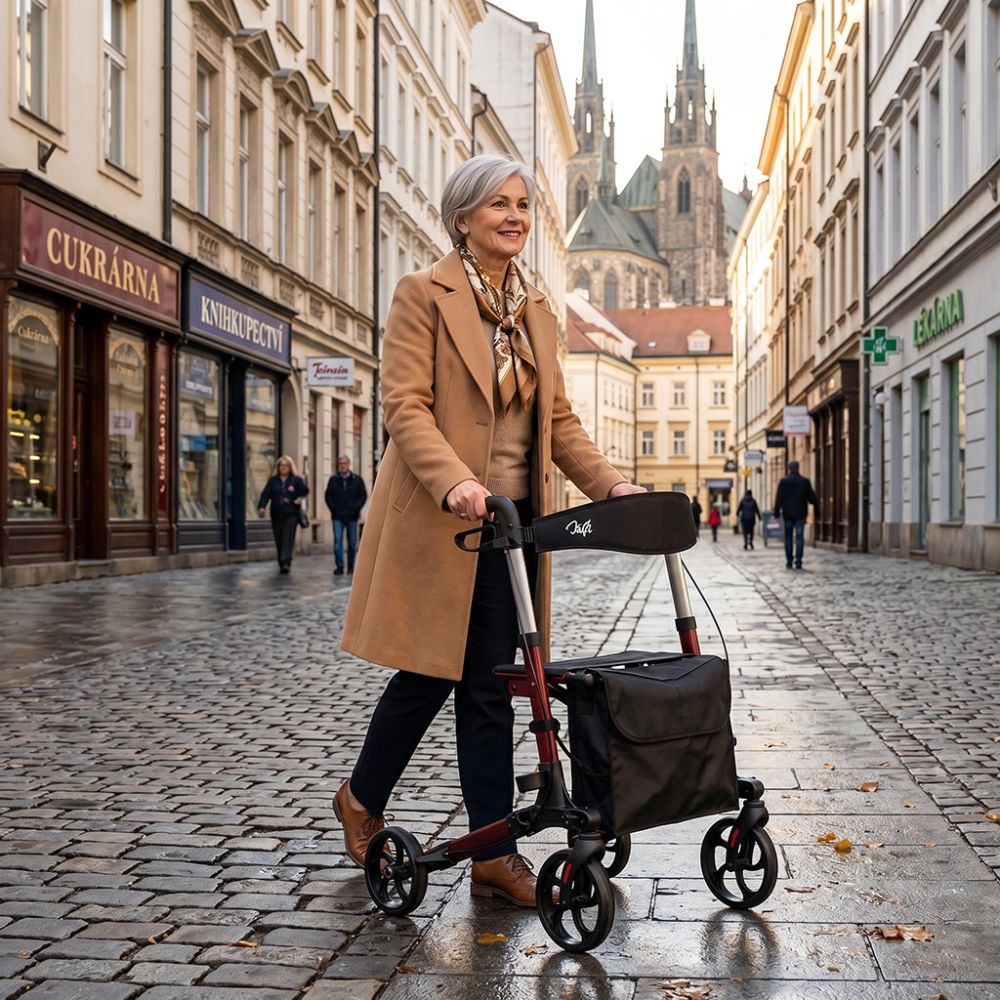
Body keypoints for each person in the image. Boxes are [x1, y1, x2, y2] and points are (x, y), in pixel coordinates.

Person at [333, 154, 645, 907]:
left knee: (491, 687)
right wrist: (457, 482)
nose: (515, 216)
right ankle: (360, 797)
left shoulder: (536, 307)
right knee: (427, 674)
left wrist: (611, 485)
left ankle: (493, 852)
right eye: (498, 204)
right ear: (463, 218)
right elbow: (405, 406)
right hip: (444, 520)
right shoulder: (424, 294)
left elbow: (558, 421)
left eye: (523, 204)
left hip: (513, 531)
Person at [257, 456, 309, 574]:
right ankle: (281, 561)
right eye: (282, 465)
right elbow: (265, 494)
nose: (284, 468)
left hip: (291, 513)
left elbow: (305, 491)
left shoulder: (296, 480)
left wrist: (299, 497)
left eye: (286, 466)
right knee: (279, 538)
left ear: (290, 467)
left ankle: (286, 561)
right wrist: (262, 507)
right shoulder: (273, 481)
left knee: (288, 537)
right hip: (276, 513)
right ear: (278, 467)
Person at [325, 455, 367, 576]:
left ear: (349, 464)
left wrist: (355, 508)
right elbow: (328, 496)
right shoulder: (333, 480)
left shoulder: (357, 479)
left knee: (352, 543)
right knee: (337, 542)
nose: (343, 465)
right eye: (341, 463)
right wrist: (334, 509)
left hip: (352, 517)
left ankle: (350, 567)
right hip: (337, 517)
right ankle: (340, 566)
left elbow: (363, 496)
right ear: (338, 465)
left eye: (345, 463)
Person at [773, 459, 818, 569]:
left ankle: (789, 560)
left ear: (789, 468)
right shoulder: (804, 481)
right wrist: (817, 511)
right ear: (798, 468)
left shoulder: (784, 481)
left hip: (788, 514)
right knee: (799, 538)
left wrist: (776, 513)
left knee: (788, 537)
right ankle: (798, 561)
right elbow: (812, 498)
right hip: (800, 514)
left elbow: (779, 498)